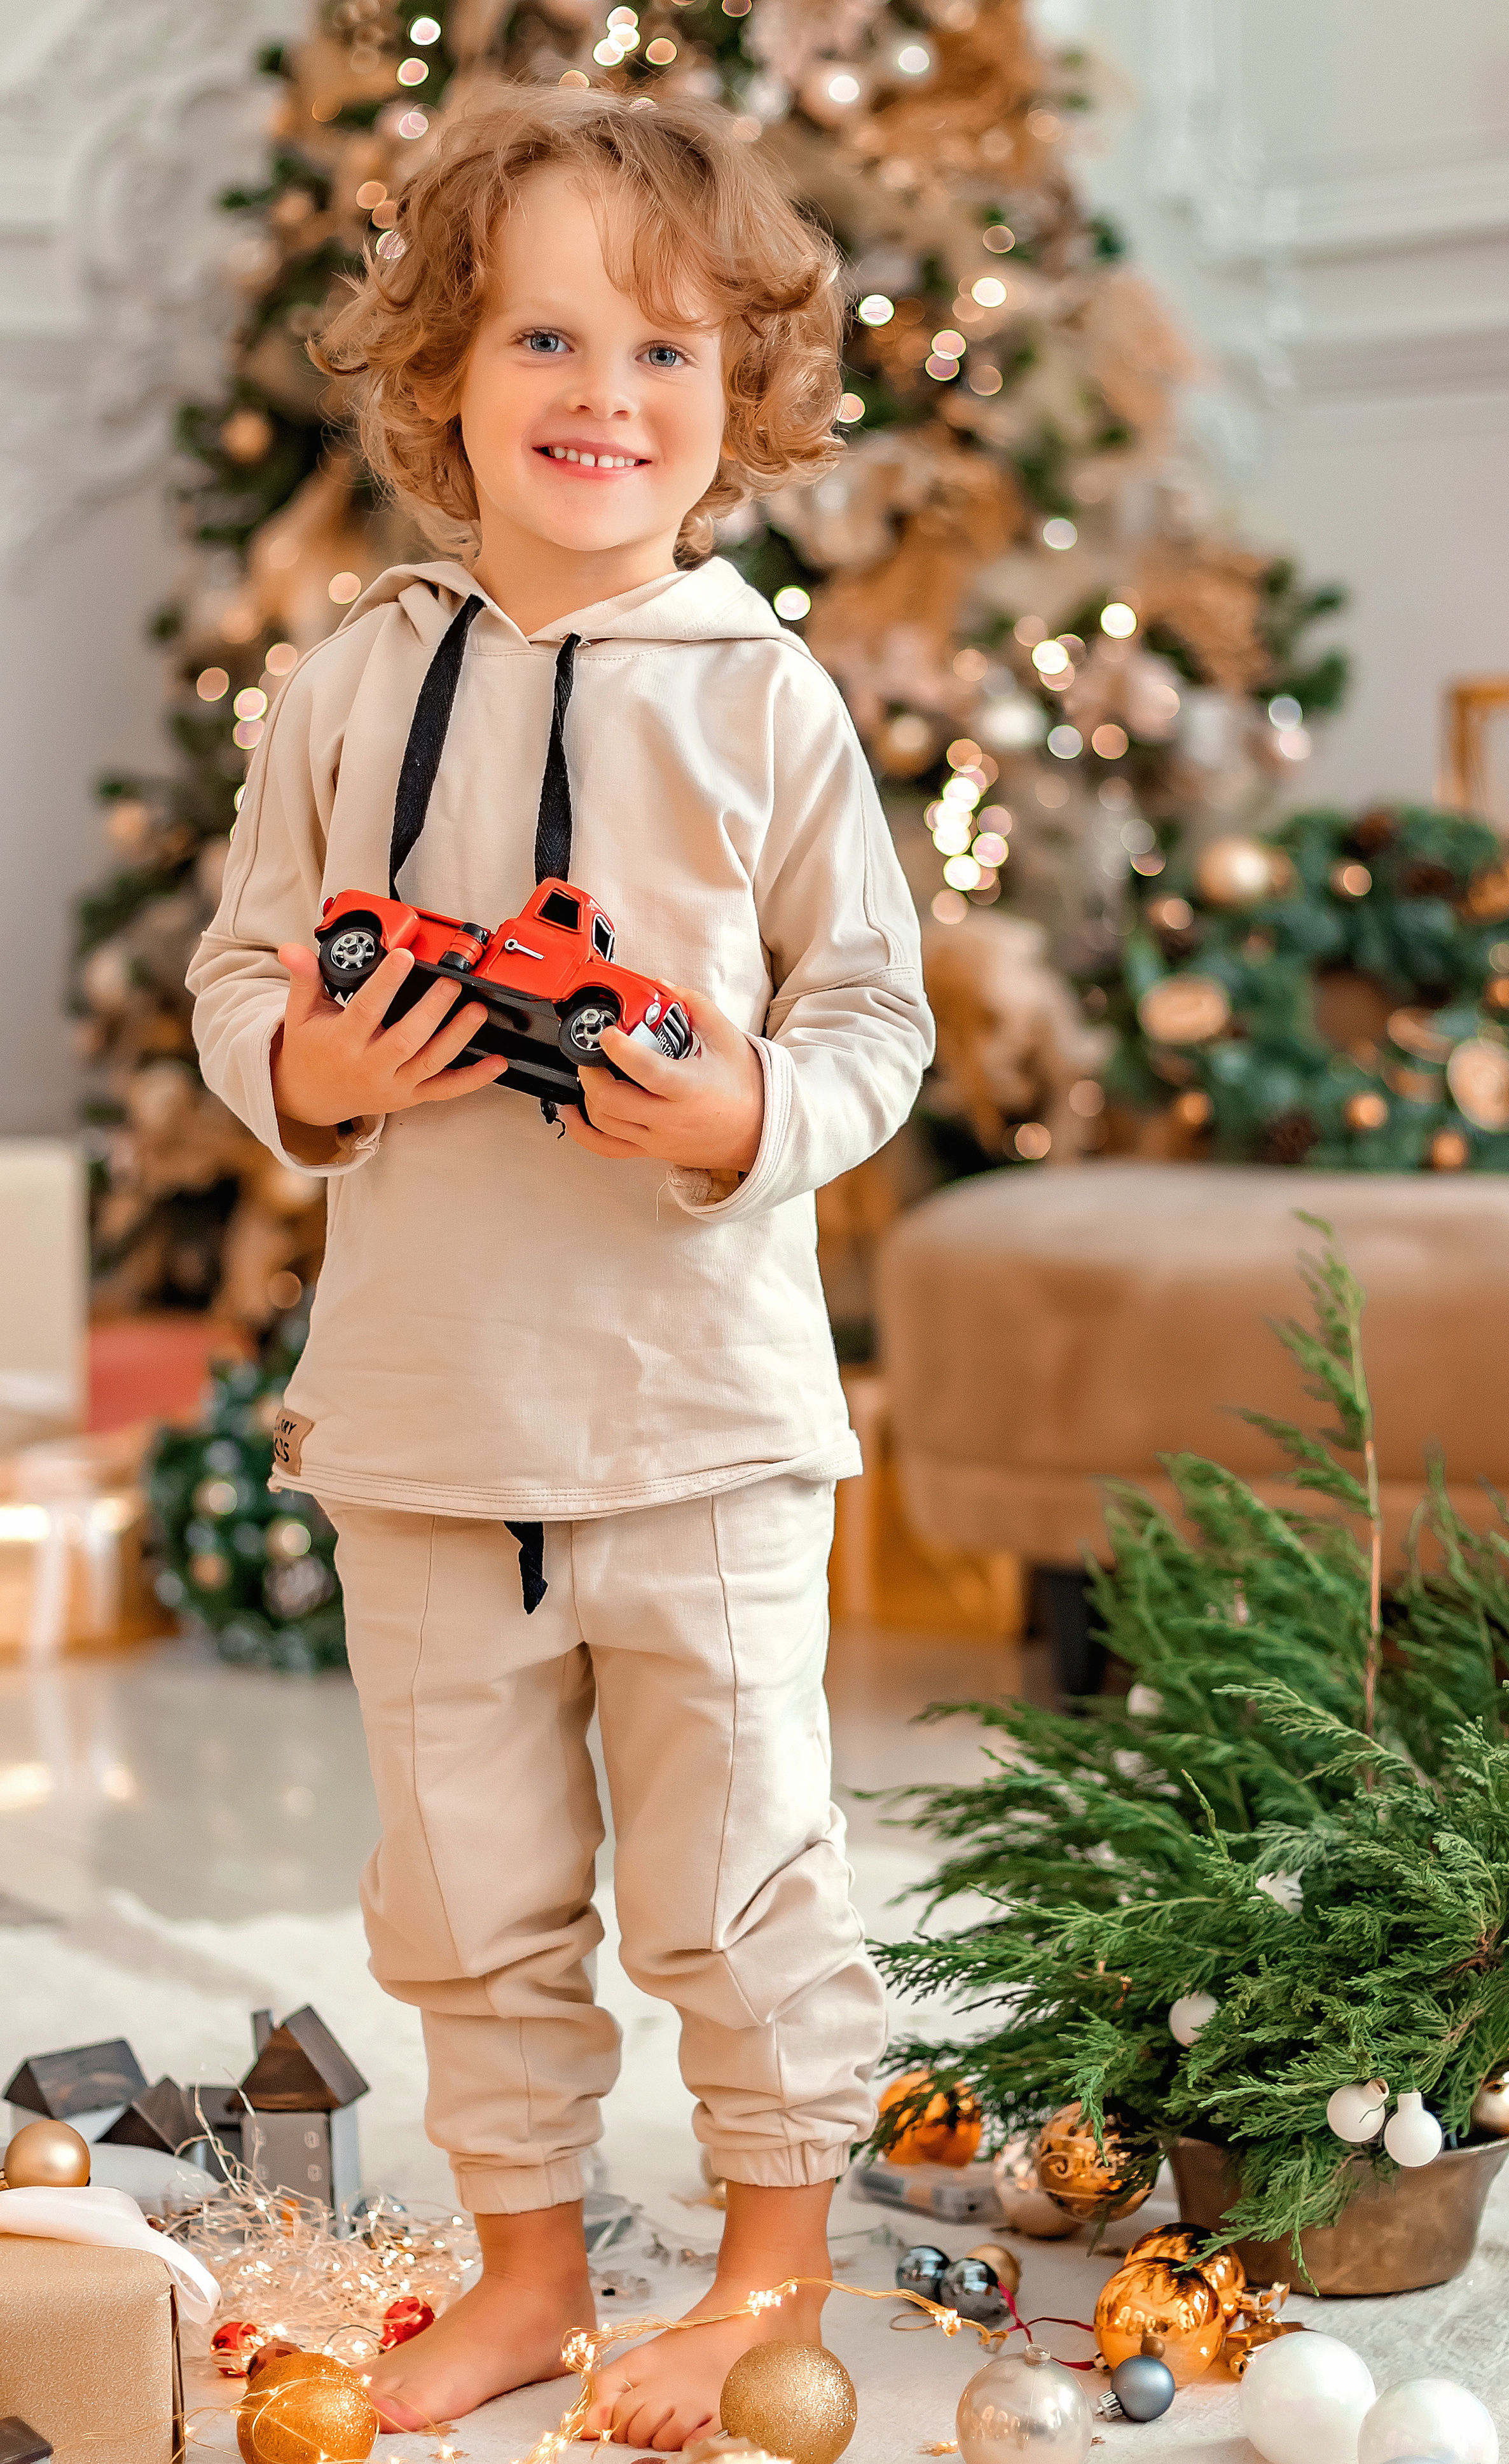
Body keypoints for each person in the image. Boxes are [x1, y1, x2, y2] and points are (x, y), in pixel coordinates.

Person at [188, 87, 932, 2446]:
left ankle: (767, 2258)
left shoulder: (765, 696)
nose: (605, 393)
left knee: (741, 1873)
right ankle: (524, 2264)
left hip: (699, 1420)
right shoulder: (342, 684)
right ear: (442, 382)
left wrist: (740, 1114)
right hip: (423, 1419)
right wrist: (312, 1067)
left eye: (671, 352)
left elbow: (874, 1016)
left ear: (741, 409)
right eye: (544, 336)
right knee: (467, 1896)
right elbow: (233, 980)